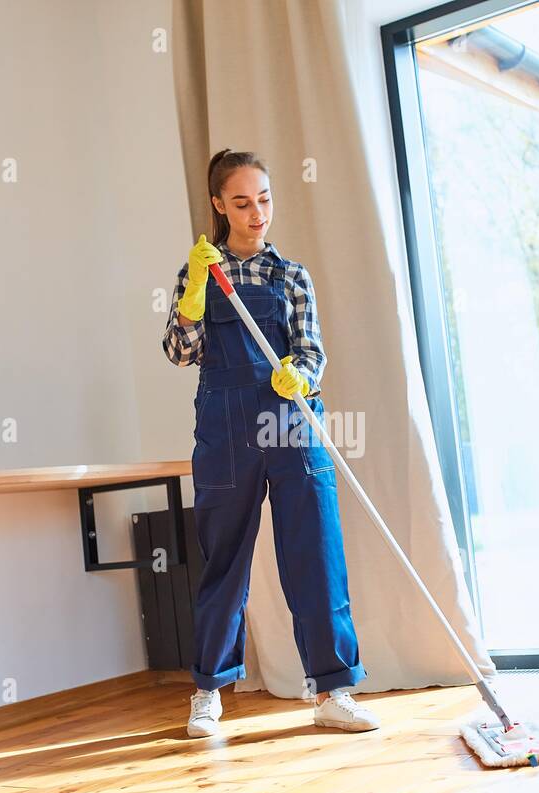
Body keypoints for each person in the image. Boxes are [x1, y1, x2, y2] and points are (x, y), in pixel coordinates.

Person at [163, 148, 379, 738]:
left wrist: (300, 377)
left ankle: (334, 691)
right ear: (218, 206)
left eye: (264, 198)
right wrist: (189, 307)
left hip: (290, 421)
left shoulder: (292, 275)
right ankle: (208, 693)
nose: (257, 212)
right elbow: (180, 353)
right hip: (226, 430)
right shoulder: (202, 273)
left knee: (316, 555)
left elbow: (313, 354)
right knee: (224, 563)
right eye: (241, 202)